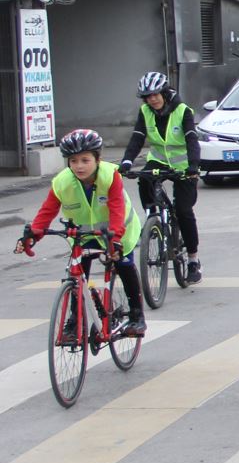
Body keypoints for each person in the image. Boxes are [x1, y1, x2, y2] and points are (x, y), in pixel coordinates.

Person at [15, 129, 147, 337]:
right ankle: (75, 321)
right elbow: (47, 210)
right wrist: (33, 234)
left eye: (85, 160)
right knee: (76, 275)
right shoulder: (61, 182)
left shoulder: (110, 176)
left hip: (118, 231)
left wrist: (116, 240)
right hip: (83, 236)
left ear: (97, 159)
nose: (79, 166)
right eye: (73, 161)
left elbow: (116, 209)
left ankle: (137, 316)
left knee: (123, 264)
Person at [119, 72, 202, 282]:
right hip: (159, 160)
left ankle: (193, 259)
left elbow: (192, 140)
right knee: (144, 178)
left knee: (183, 210)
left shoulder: (183, 111)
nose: (152, 99)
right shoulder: (145, 111)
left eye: (156, 95)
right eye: (148, 96)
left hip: (184, 166)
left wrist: (193, 166)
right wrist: (127, 161)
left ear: (164, 93)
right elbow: (137, 137)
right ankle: (153, 220)